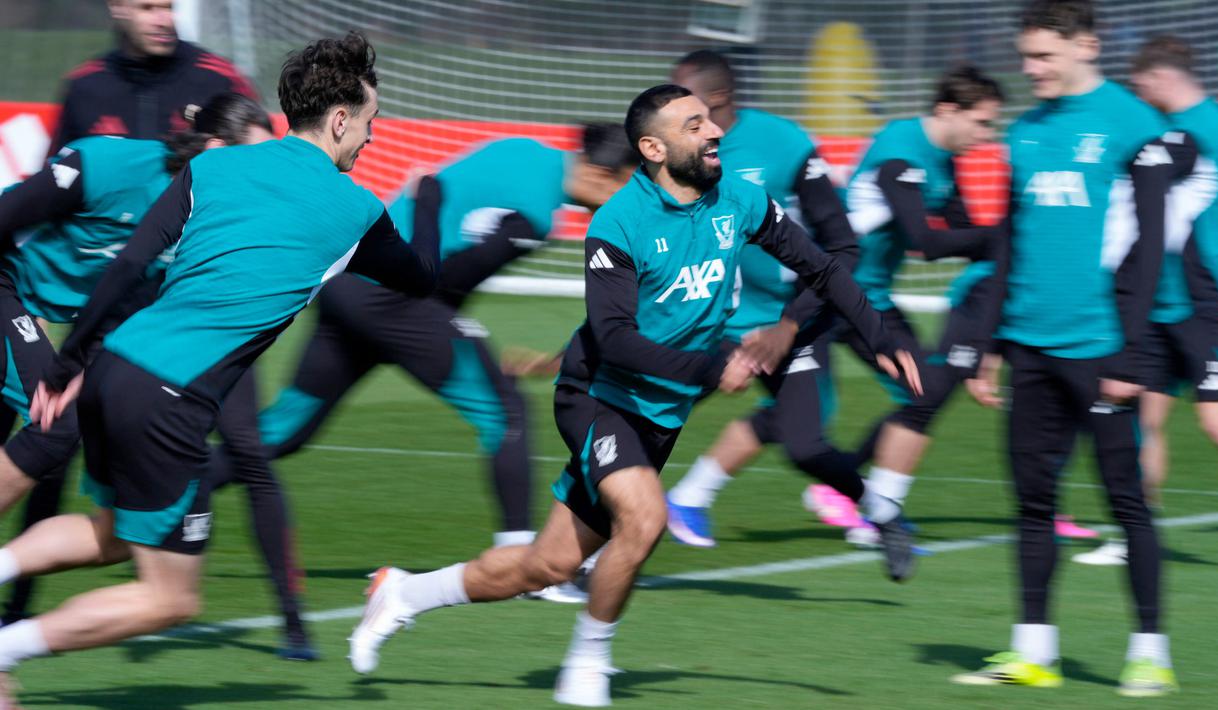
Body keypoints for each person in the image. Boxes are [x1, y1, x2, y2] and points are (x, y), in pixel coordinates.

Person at [347, 83, 920, 708]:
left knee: (548, 565)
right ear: (652, 147)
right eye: (694, 124)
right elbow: (614, 341)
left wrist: (879, 334)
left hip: (659, 413)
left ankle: (403, 593)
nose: (713, 132)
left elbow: (827, 266)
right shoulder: (617, 225)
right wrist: (710, 369)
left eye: (709, 120)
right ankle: (586, 667)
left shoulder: (741, 200)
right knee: (645, 519)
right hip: (597, 397)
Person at [0, 33, 438, 705]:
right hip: (170, 402)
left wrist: (65, 364)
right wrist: (429, 202)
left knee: (115, 535)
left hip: (113, 366)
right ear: (341, 119)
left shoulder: (214, 169)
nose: (372, 140)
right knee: (170, 600)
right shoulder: (358, 211)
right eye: (371, 123)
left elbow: (125, 268)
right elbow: (421, 278)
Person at [246, 127, 637, 588]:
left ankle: (171, 489)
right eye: (625, 187)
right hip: (392, 300)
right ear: (598, 171)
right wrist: (449, 339)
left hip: (348, 282)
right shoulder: (534, 218)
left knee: (282, 432)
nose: (626, 203)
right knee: (506, 410)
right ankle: (518, 563)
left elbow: (439, 201)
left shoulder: (521, 149)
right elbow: (450, 281)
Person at [667, 63, 1007, 557]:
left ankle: (695, 495)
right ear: (948, 111)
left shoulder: (939, 155)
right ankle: (874, 508)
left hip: (857, 295)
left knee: (803, 414)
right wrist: (1013, 234)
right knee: (921, 390)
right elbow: (926, 241)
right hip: (842, 296)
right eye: (982, 123)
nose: (986, 136)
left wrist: (1023, 251)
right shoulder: (900, 155)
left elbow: (963, 231)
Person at [953, 0, 1191, 696]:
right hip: (1027, 346)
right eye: (1025, 56)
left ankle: (1150, 652)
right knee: (1032, 500)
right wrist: (988, 341)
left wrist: (1131, 354)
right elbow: (1007, 246)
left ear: (1085, 45)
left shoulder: (1133, 125)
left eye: (1043, 56)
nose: (1030, 70)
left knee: (1125, 503)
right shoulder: (1023, 133)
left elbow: (1151, 248)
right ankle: (1034, 653)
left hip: (1102, 348)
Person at [4, 0, 262, 632]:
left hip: (50, 317)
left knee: (69, 428)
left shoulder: (209, 215)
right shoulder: (108, 165)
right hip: (8, 289)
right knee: (56, 419)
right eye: (247, 158)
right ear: (208, 147)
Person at [659, 49, 866, 549]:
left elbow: (841, 243)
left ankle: (873, 509)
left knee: (807, 437)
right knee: (637, 430)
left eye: (683, 97)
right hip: (705, 324)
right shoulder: (666, 154)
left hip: (786, 322)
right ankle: (576, 555)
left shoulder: (784, 143)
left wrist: (792, 322)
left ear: (720, 98)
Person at [1074, 34, 1218, 567]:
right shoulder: (1165, 133)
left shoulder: (1210, 132)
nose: (1135, 95)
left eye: (1139, 84)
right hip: (1161, 303)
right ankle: (1133, 533)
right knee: (1142, 419)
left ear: (1160, 78)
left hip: (1212, 304)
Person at [49, 0, 257, 152]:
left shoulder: (220, 79)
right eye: (147, 8)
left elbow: (263, 162)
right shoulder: (84, 86)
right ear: (117, 7)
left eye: (168, 7)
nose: (163, 21)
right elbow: (54, 179)